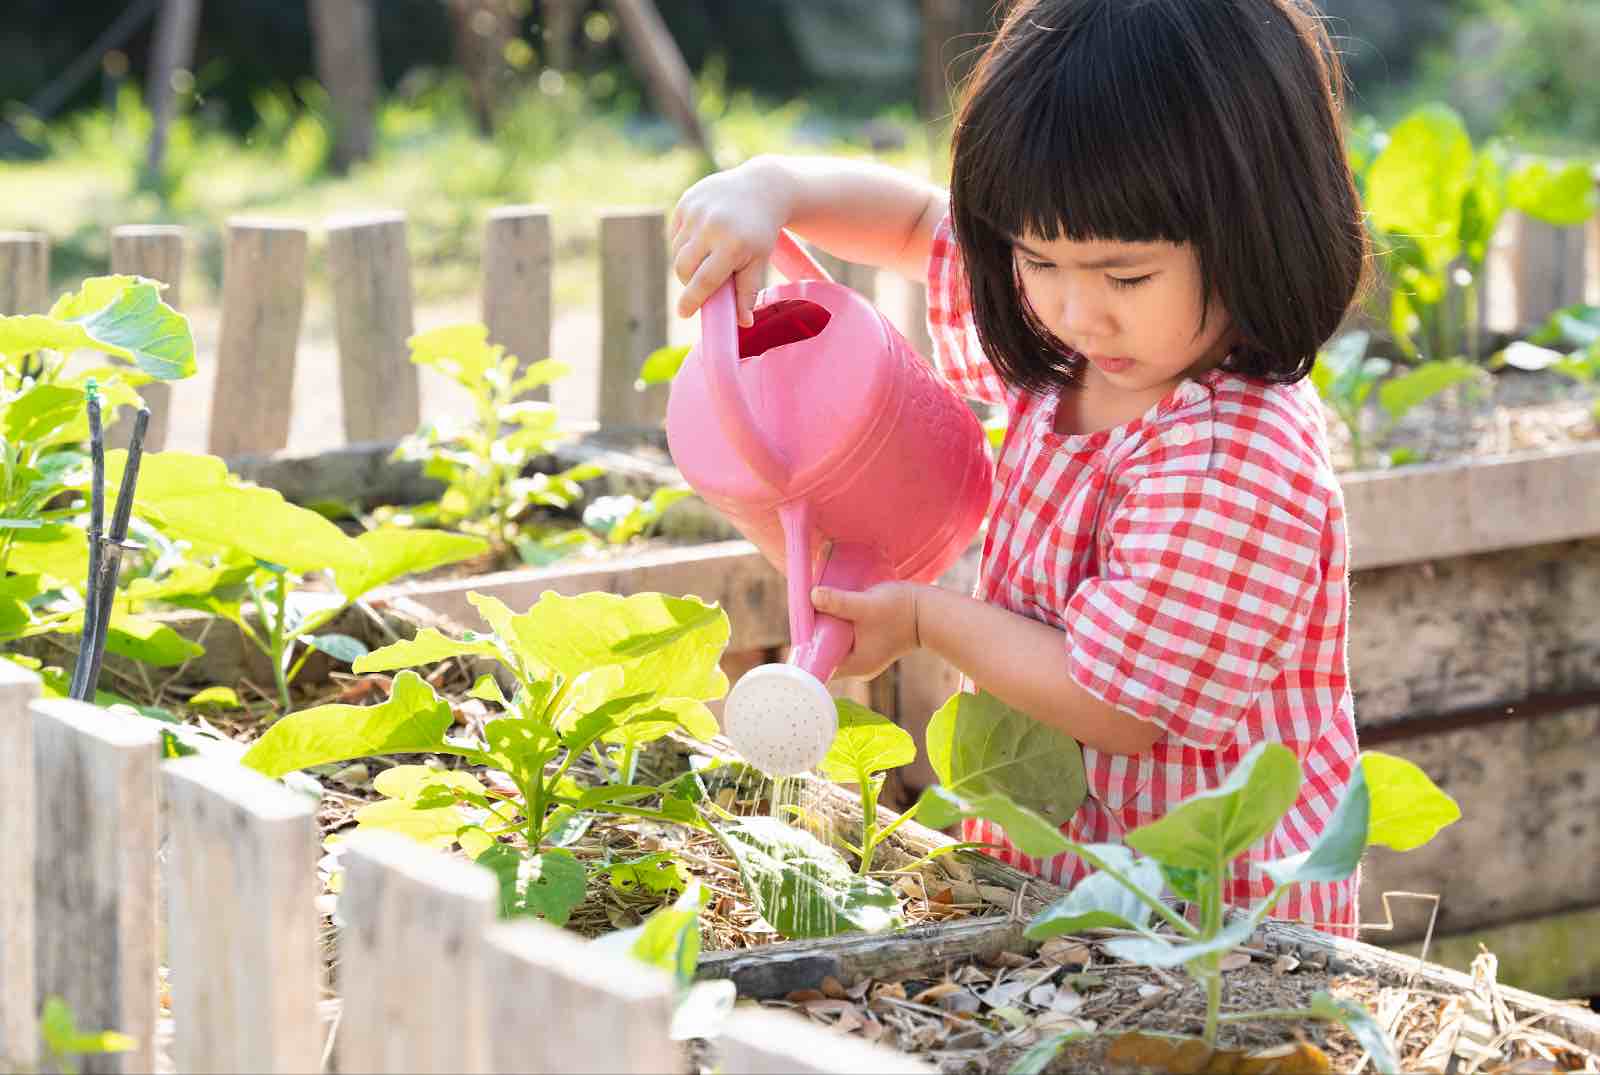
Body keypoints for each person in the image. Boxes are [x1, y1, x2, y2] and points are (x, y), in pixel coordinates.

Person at [669, 0, 1367, 936]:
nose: (1078, 311)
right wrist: (775, 188)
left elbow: (1117, 702)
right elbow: (924, 225)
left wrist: (925, 618)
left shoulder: (1234, 454)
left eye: (1125, 277)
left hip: (1209, 925)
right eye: (1039, 259)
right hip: (1065, 876)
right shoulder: (1075, 351)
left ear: (1259, 230)